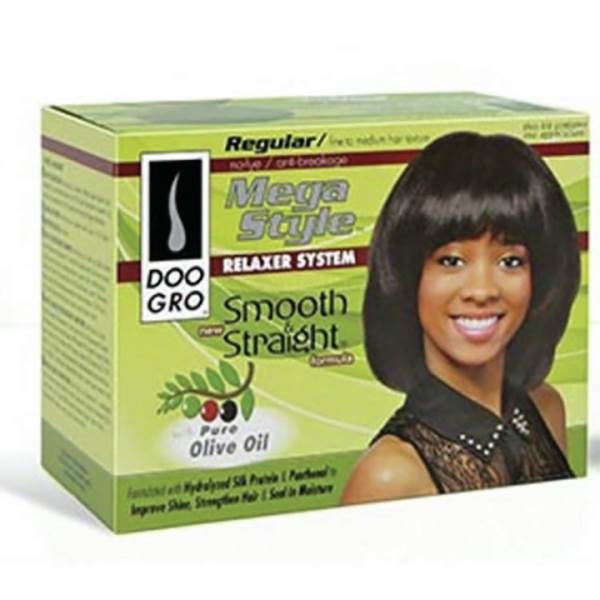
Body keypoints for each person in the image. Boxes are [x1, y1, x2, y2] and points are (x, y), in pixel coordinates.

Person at [342, 132, 580, 503]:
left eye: (510, 261)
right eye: (451, 260)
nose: (482, 290)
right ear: (408, 275)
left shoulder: (545, 407)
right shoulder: (390, 474)